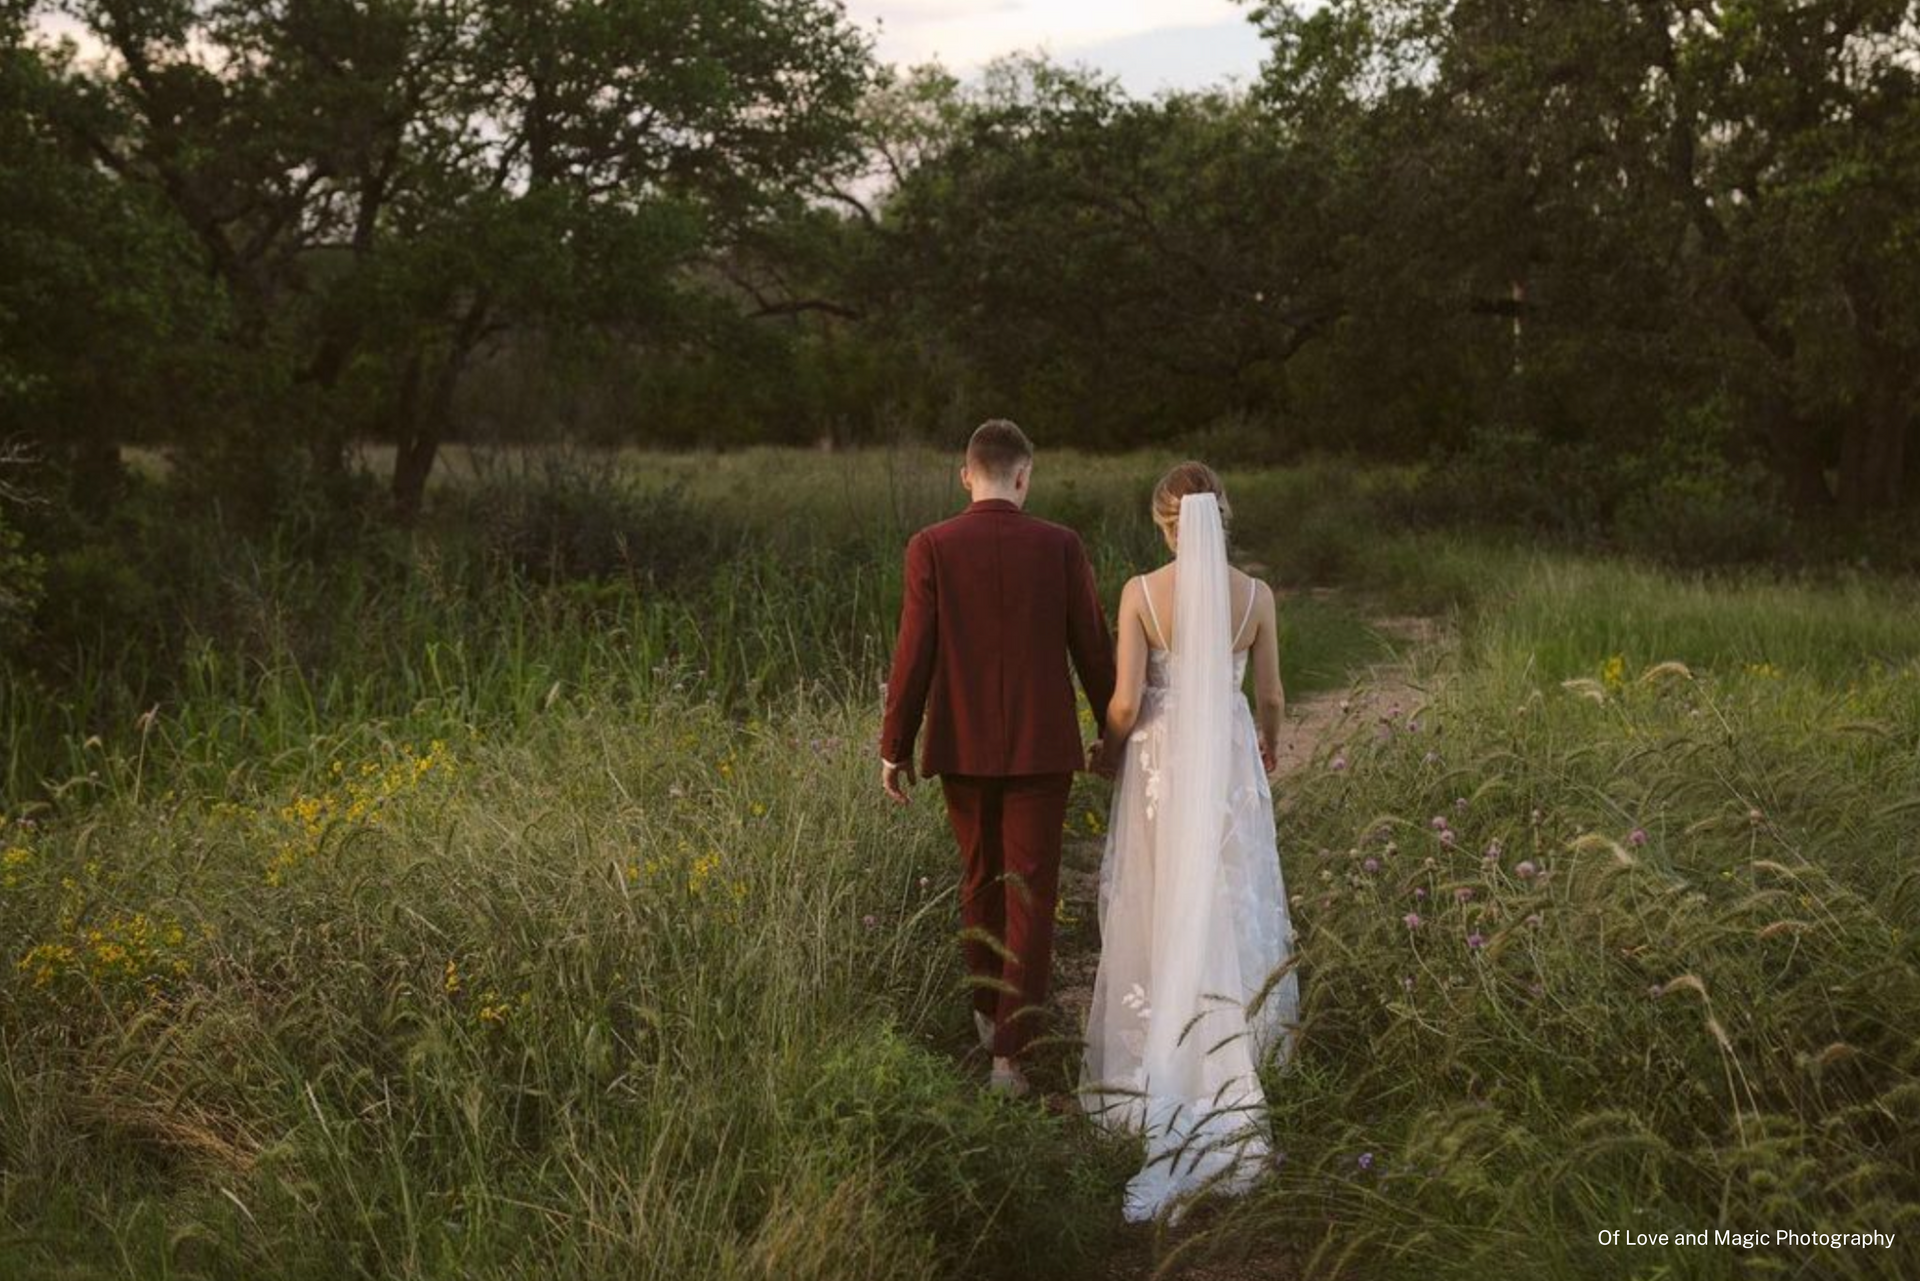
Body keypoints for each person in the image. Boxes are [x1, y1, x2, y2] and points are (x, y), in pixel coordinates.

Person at [1080, 460, 1300, 1223]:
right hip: (1228, 757)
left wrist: (1109, 750)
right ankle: (1242, 1050)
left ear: (1163, 521)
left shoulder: (1141, 594)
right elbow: (1269, 693)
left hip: (1163, 764)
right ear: (1224, 514)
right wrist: (1267, 744)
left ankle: (1158, 1063)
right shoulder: (1257, 597)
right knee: (1230, 886)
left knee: (1162, 896)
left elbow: (1125, 698)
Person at [879, 419, 1116, 1097]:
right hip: (1043, 745)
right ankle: (1011, 1056)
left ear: (965, 474)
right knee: (1032, 893)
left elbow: (913, 653)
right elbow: (1092, 649)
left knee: (980, 877)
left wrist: (894, 745)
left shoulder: (931, 546)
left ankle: (988, 1012)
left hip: (961, 744)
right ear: (1024, 476)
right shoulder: (1061, 545)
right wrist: (1114, 735)